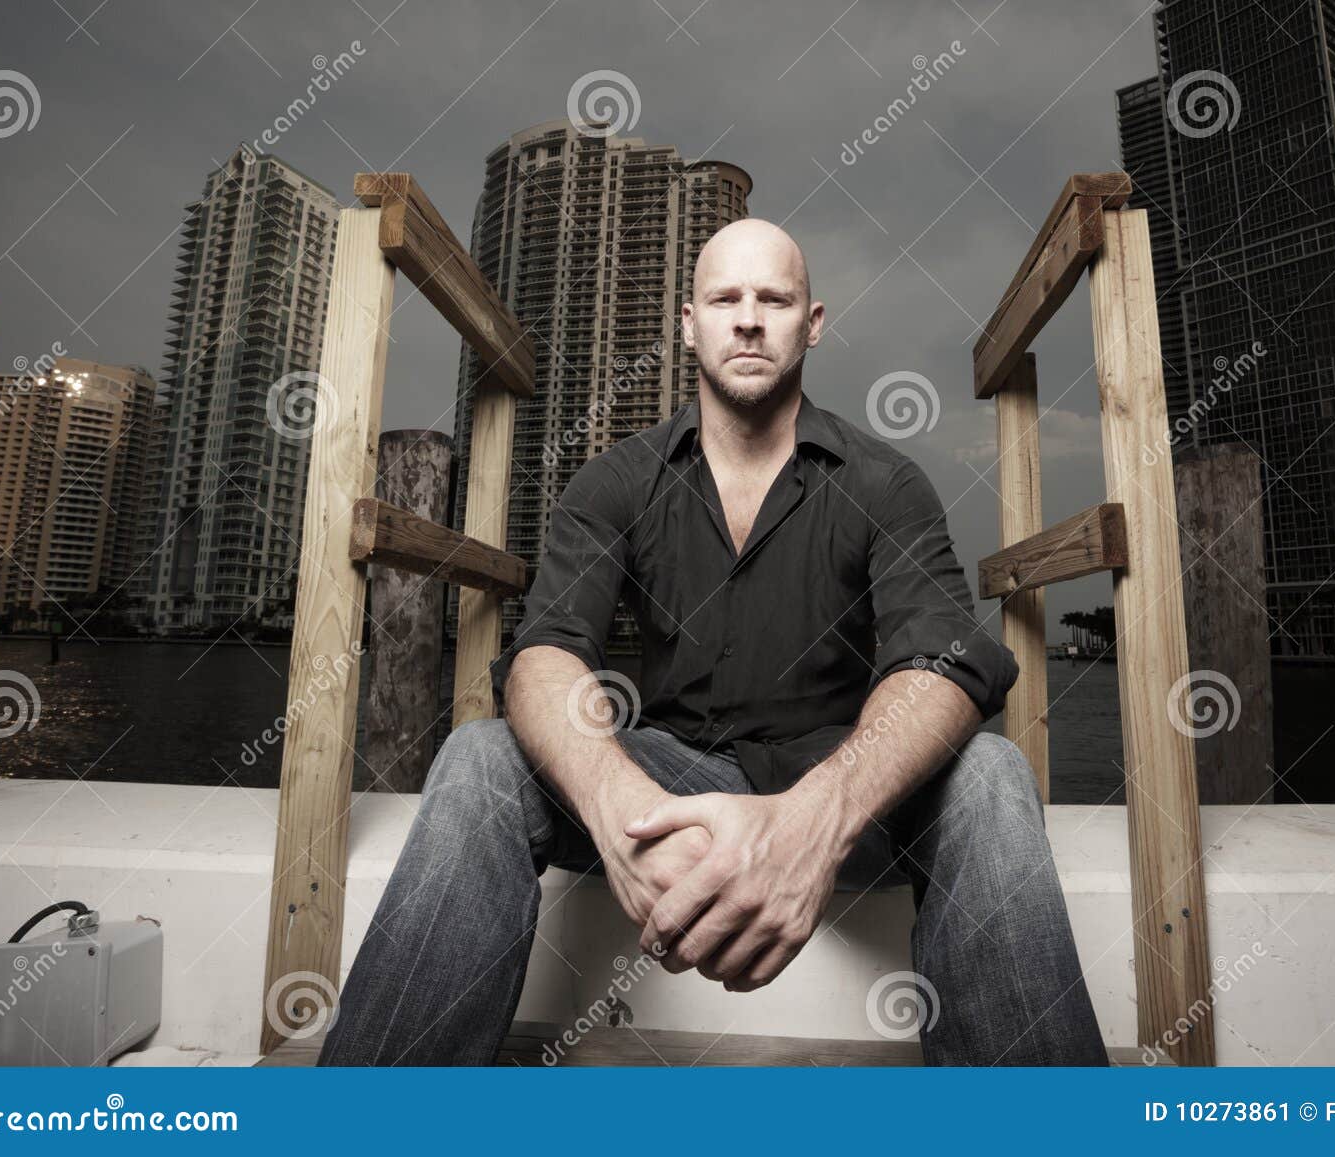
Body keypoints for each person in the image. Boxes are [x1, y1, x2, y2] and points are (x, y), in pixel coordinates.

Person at [317, 217, 1108, 1067]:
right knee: (479, 756)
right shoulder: (616, 480)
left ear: (812, 323)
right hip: (668, 786)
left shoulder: (887, 481)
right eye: (725, 298)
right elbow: (546, 655)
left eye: (774, 298)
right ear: (688, 323)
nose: (748, 318)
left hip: (846, 786)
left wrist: (813, 822)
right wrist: (616, 808)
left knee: (991, 773)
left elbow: (946, 660)